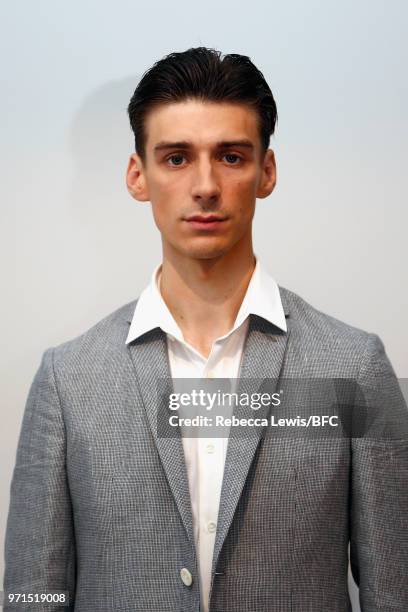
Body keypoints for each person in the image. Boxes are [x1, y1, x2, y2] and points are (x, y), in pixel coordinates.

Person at [4, 47, 407, 612]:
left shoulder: (353, 367)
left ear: (266, 171)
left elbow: (396, 589)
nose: (206, 185)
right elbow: (31, 594)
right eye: (175, 158)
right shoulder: (69, 380)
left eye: (231, 156)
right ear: (137, 175)